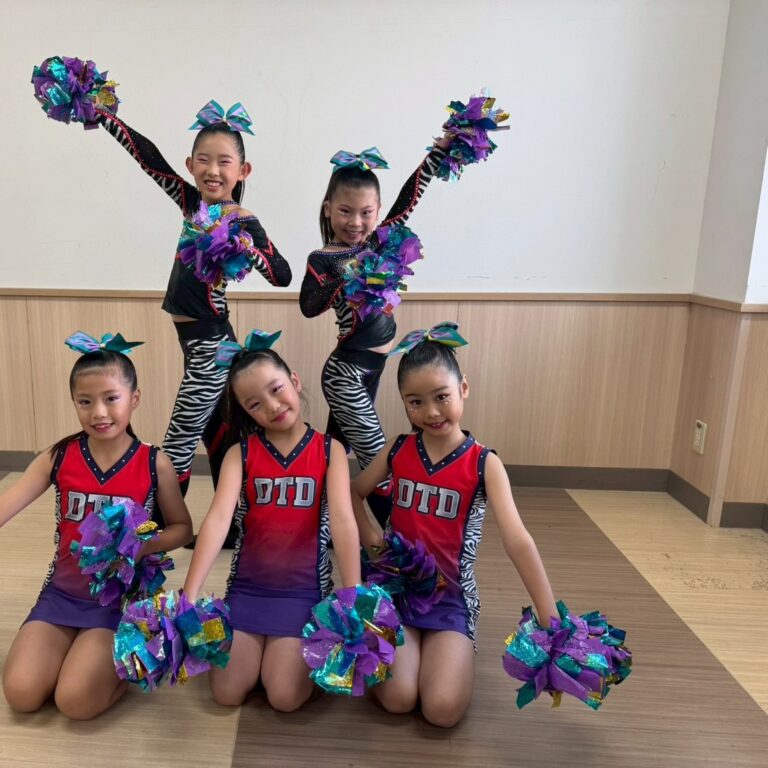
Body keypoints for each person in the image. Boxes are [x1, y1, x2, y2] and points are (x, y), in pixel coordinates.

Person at [0, 332, 192, 720]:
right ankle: (76, 655)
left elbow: (182, 528)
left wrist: (141, 546)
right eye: (85, 401)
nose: (99, 412)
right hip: (60, 596)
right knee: (21, 694)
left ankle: (122, 668)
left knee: (75, 701)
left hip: (116, 603)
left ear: (135, 398)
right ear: (74, 402)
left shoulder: (154, 463)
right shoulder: (59, 457)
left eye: (111, 398)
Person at [350, 322, 557, 727]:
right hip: (398, 593)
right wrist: (373, 542)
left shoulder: (484, 463)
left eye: (441, 396)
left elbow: (518, 541)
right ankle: (411, 654)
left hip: (451, 599)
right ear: (404, 404)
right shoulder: (398, 449)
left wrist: (551, 619)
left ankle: (447, 652)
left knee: (441, 710)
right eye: (415, 402)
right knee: (398, 698)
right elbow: (352, 493)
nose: (430, 412)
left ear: (463, 388)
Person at [92, 99, 292, 497]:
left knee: (178, 445)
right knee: (220, 434)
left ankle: (157, 525)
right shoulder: (193, 205)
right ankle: (233, 520)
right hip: (197, 342)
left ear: (243, 170)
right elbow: (149, 160)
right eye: (203, 160)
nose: (213, 170)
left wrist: (248, 250)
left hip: (210, 345)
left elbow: (281, 274)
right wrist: (105, 116)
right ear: (190, 164)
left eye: (224, 162)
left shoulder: (242, 219)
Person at [181, 330, 361, 712]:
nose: (273, 406)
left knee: (285, 697)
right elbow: (217, 520)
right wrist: (189, 595)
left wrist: (354, 594)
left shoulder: (330, 451)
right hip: (248, 590)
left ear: (294, 381)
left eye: (277, 389)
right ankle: (265, 658)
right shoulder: (239, 454)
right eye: (255, 404)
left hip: (303, 594)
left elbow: (344, 522)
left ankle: (285, 661)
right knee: (226, 693)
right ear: (246, 412)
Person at [299, 140, 449, 527]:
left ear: (378, 211)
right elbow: (308, 306)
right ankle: (399, 541)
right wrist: (346, 276)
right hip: (345, 374)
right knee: (378, 461)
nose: (355, 222)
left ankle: (316, 528)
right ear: (328, 208)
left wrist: (440, 150)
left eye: (366, 213)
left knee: (333, 456)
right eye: (345, 211)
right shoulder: (323, 258)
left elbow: (411, 195)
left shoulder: (380, 242)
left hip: (372, 370)